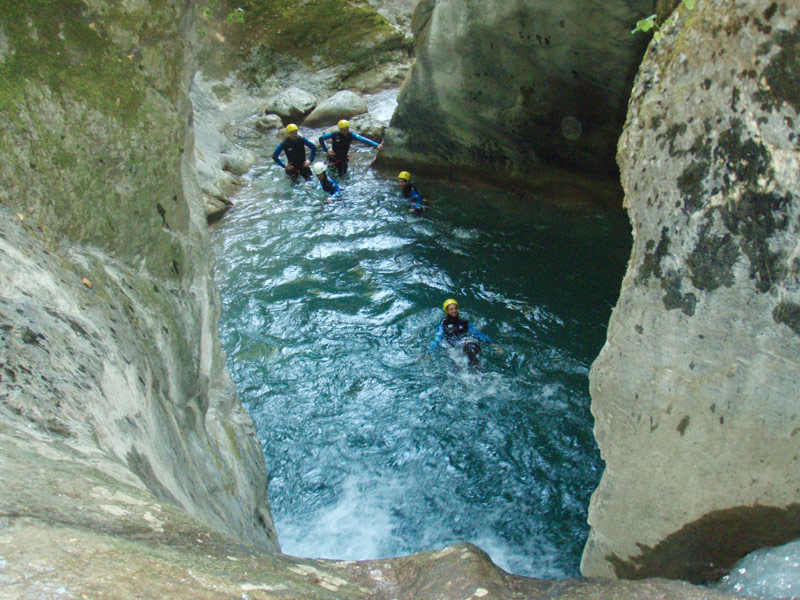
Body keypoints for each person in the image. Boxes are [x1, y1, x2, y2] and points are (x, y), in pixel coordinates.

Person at [428, 298, 495, 366]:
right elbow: (437, 339)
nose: (454, 311)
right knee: (454, 362)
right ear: (447, 311)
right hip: (452, 347)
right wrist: (429, 353)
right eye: (451, 309)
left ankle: (476, 368)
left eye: (455, 308)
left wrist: (491, 343)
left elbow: (477, 333)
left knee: (472, 349)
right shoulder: (443, 324)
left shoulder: (465, 323)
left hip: (463, 343)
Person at [318, 119, 383, 177]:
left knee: (343, 176)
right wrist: (326, 150)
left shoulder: (351, 135)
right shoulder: (334, 134)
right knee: (331, 176)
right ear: (340, 130)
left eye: (347, 130)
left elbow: (363, 139)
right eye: (344, 130)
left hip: (343, 159)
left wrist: (376, 145)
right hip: (333, 159)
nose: (346, 132)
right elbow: (321, 139)